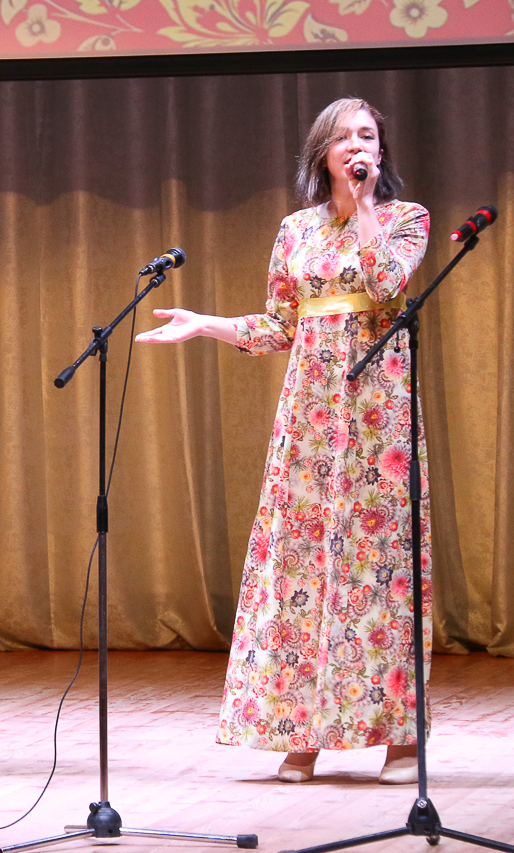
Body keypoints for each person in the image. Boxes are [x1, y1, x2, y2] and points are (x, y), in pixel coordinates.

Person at [136, 99, 431, 785]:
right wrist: (205, 323)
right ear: (322, 151)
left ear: (380, 152)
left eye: (368, 136)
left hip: (377, 417)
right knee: (301, 567)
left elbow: (385, 282)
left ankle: (399, 738)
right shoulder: (295, 229)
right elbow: (279, 325)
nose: (357, 146)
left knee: (379, 568)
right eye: (344, 137)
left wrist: (363, 205)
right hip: (309, 416)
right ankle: (303, 733)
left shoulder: (405, 219)